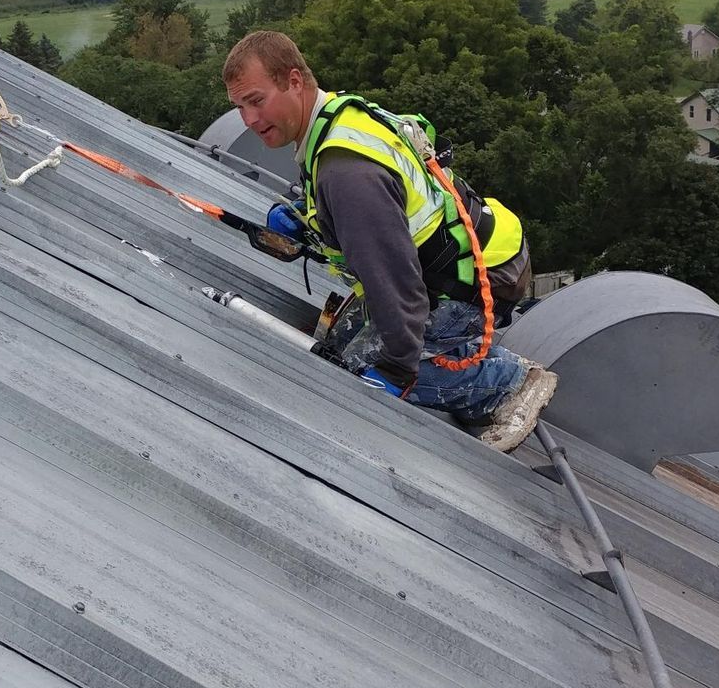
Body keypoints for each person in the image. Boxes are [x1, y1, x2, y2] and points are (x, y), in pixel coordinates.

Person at [222, 30, 555, 449]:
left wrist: (398, 368)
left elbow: (397, 285)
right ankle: (466, 356)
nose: (249, 120)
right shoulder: (334, 117)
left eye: (257, 100)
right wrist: (302, 217)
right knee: (338, 340)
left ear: (293, 81)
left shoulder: (345, 174)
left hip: (472, 283)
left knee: (352, 370)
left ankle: (505, 384)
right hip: (465, 259)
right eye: (239, 108)